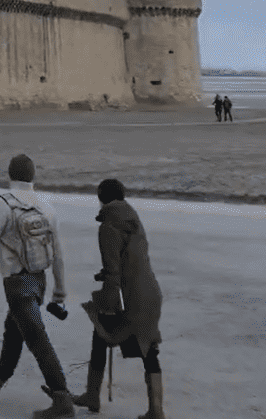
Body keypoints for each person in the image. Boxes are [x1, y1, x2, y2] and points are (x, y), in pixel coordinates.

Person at [0, 153, 75, 417]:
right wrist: (59, 291)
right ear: (33, 176)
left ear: (9, 176)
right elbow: (57, 253)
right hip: (39, 281)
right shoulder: (47, 205)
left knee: (36, 338)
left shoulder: (4, 204)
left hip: (16, 284)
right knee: (14, 330)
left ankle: (62, 399)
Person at [74, 179, 167, 419]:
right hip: (151, 293)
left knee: (101, 331)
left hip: (130, 297)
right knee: (149, 348)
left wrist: (107, 304)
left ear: (101, 198)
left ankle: (92, 395)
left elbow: (113, 270)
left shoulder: (109, 225)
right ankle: (156, 409)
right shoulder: (134, 220)